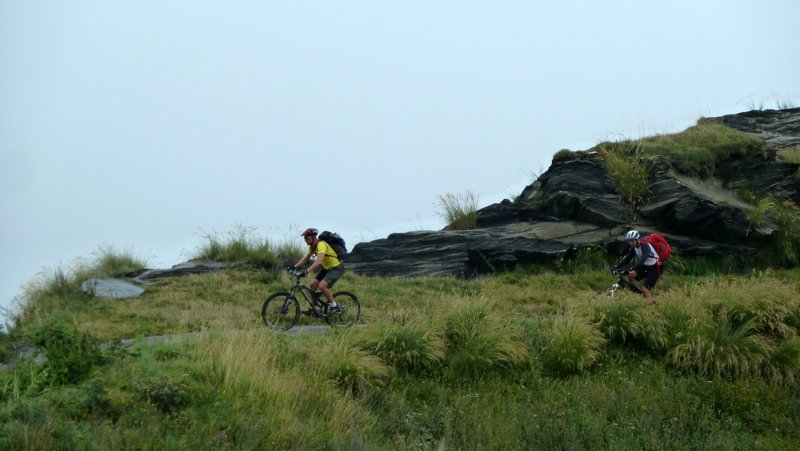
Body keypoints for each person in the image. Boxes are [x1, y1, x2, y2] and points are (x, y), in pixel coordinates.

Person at [291, 227, 344, 312]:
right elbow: (305, 259)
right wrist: (294, 267)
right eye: (304, 238)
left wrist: (306, 271)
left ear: (313, 237)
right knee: (312, 285)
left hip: (336, 268)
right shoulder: (312, 247)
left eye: (307, 238)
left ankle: (335, 307)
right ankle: (315, 308)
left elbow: (318, 261)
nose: (305, 240)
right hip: (326, 268)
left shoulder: (321, 245)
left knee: (322, 286)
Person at [612, 229, 662, 298]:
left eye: (632, 241)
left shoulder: (645, 246)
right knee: (631, 276)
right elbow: (627, 259)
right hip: (646, 266)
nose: (630, 243)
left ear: (637, 240)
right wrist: (616, 267)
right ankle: (639, 294)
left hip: (655, 268)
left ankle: (652, 306)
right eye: (629, 241)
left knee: (645, 289)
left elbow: (642, 262)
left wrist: (630, 269)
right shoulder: (634, 247)